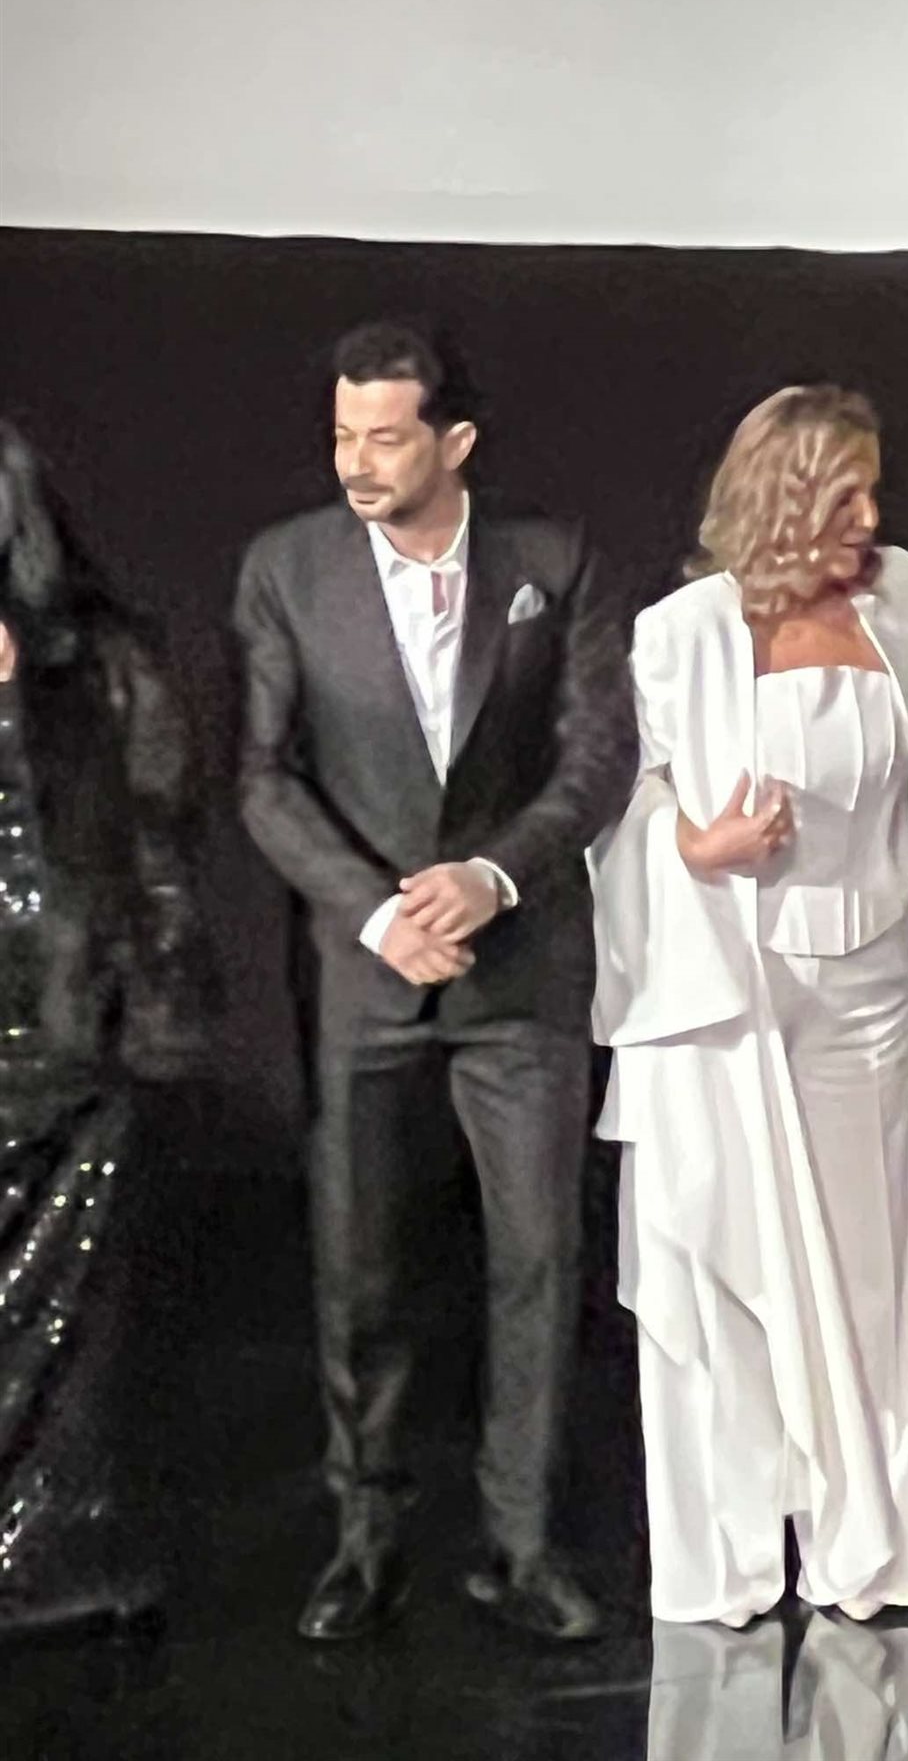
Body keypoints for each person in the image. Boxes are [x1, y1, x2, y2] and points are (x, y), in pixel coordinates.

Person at [233, 322, 636, 1643]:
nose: (357, 461)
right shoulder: (285, 569)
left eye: (386, 437)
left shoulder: (552, 564)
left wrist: (495, 876)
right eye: (342, 435)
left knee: (538, 1265)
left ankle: (522, 1549)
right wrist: (375, 917)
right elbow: (263, 778)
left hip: (519, 978)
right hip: (368, 985)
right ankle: (366, 1541)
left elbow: (596, 757)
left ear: (454, 442)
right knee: (360, 1272)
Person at [589, 385, 908, 1626]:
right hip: (740, 992)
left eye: (873, 489)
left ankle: (869, 1542)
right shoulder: (688, 631)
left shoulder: (901, 594)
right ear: (782, 499)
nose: (871, 515)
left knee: (867, 1277)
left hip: (869, 987)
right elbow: (631, 805)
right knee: (739, 1266)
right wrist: (699, 847)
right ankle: (737, 1548)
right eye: (845, 493)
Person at [0, 421, 206, 1640]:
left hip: (73, 1024)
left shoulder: (103, 664)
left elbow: (160, 848)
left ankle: (49, 1550)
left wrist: (156, 1006)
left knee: (70, 1312)